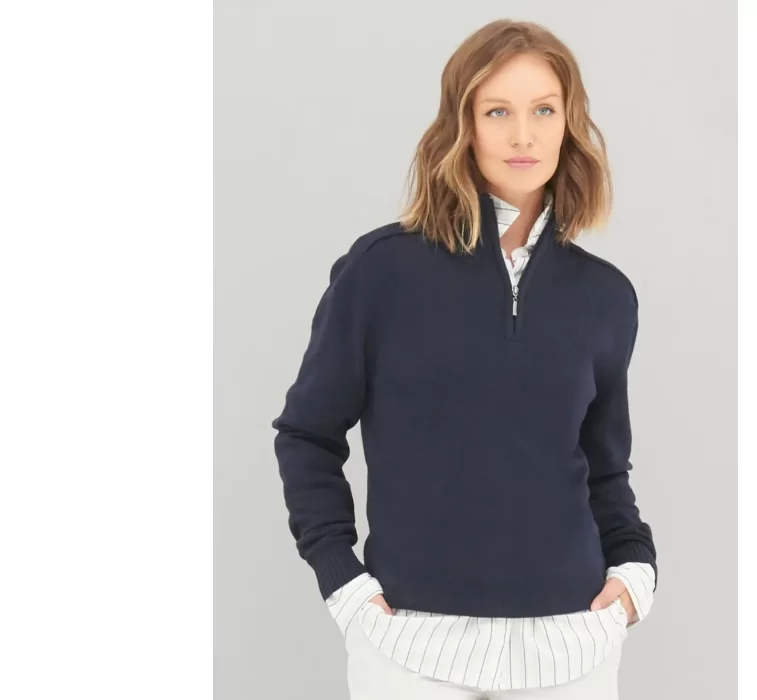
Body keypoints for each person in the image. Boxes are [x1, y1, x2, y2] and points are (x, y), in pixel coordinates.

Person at [271, 18, 657, 700]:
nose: (523, 135)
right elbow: (307, 434)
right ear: (464, 125)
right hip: (409, 645)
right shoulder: (381, 271)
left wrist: (633, 571)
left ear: (569, 124)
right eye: (498, 111)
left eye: (544, 110)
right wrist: (343, 582)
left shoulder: (605, 296)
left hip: (572, 645)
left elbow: (604, 466)